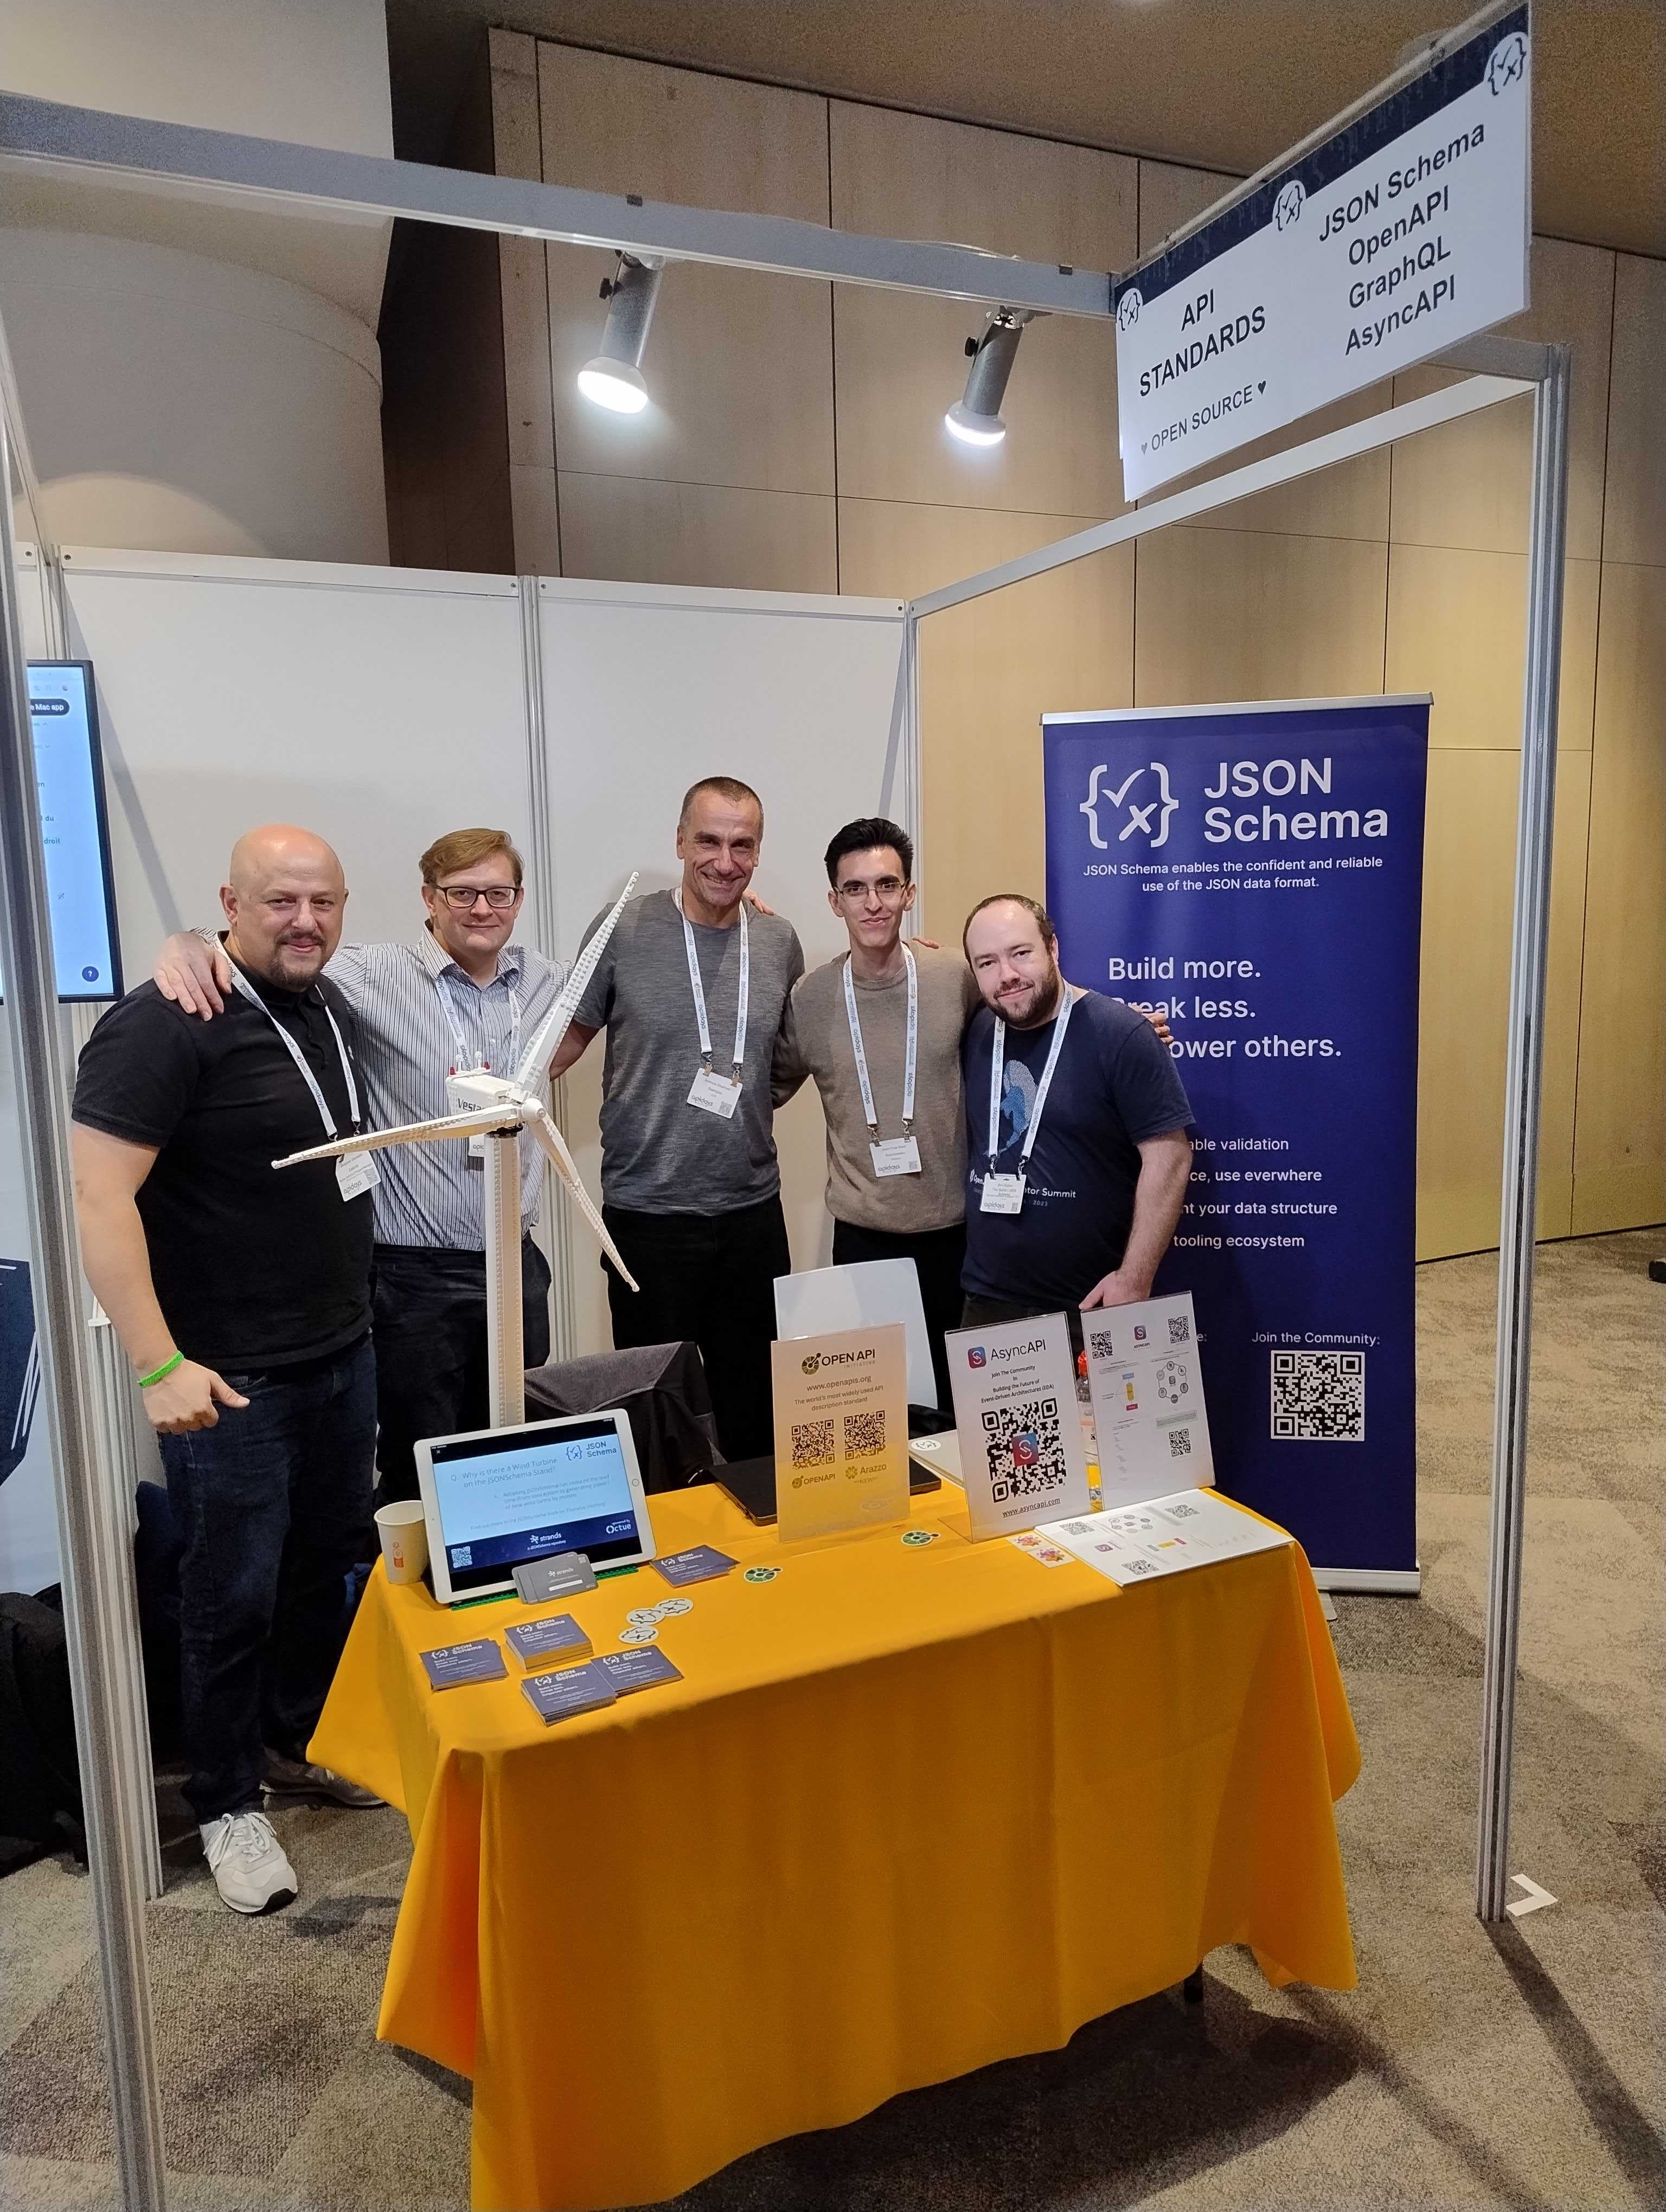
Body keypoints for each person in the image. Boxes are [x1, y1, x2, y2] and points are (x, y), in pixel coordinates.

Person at [73, 826, 381, 1918]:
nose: (306, 922)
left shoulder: (326, 1005)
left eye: (325, 902)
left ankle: (298, 1742)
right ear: (229, 904)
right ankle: (224, 1800)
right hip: (232, 1375)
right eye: (281, 901)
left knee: (326, 1562)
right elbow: (99, 1198)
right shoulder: (166, 1020)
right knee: (229, 1592)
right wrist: (159, 1365)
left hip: (342, 1350)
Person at [151, 827, 568, 1503]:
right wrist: (190, 941)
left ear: (518, 899)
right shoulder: (373, 976)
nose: (482, 909)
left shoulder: (546, 981)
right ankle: (415, 1603)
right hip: (413, 1277)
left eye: (499, 893)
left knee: (512, 1447)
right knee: (418, 1463)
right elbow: (267, 959)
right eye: (462, 894)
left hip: (517, 1264)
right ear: (429, 900)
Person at [550, 777, 805, 1459]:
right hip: (648, 1219)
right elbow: (558, 1046)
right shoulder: (622, 929)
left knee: (755, 1413)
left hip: (752, 1216)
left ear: (758, 851)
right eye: (710, 842)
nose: (726, 861)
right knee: (656, 1419)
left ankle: (757, 1555)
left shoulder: (778, 940)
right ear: (681, 842)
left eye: (742, 845)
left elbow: (789, 1054)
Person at [773, 818, 979, 1411]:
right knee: (882, 1410)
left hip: (958, 1236)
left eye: (888, 886)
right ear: (834, 901)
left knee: (957, 1406)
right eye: (856, 889)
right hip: (864, 1240)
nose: (874, 902)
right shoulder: (809, 997)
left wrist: (1109, 1017)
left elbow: (1027, 1002)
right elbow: (764, 1088)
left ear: (909, 894)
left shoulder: (953, 979)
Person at [959, 894, 1194, 1345]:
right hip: (987, 1302)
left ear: (1053, 948)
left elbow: (1171, 1157)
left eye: (1020, 953)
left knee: (1104, 1421)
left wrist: (1134, 1278)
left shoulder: (1120, 1034)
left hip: (1095, 1303)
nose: (1006, 975)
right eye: (986, 963)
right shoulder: (978, 1031)